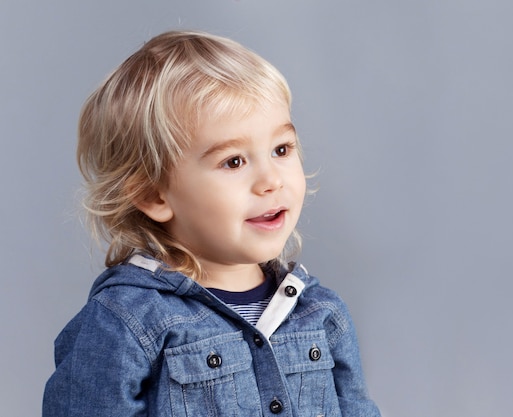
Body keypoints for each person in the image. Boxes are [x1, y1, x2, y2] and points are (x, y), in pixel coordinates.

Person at [42, 30, 381, 417]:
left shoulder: (320, 313)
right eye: (234, 161)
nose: (271, 180)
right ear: (155, 195)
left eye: (281, 149)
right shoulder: (127, 323)